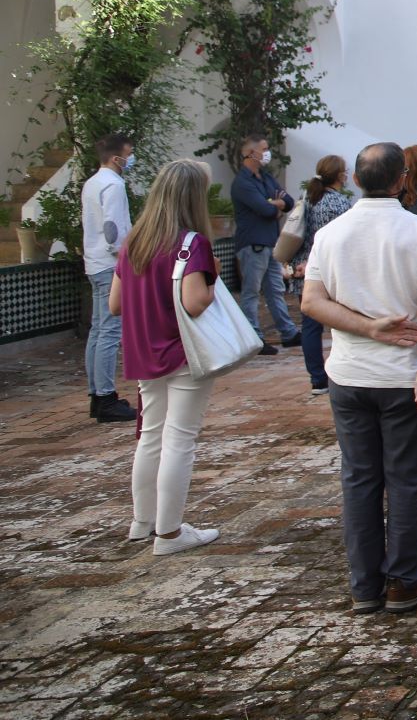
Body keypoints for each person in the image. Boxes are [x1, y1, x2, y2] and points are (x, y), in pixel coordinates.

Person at [301, 141, 417, 615]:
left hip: (349, 375)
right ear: (402, 179)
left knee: (360, 479)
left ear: (356, 180)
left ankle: (364, 587)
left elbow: (311, 302)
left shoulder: (331, 232)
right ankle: (404, 581)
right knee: (406, 479)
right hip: (405, 375)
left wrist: (365, 328)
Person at [110, 158, 223, 554]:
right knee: (180, 439)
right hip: (182, 353)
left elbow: (114, 304)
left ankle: (143, 522)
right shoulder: (193, 243)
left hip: (143, 350)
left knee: (151, 436)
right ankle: (171, 533)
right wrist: (214, 281)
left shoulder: (133, 242)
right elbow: (195, 303)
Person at [81, 131, 137, 424]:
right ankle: (105, 397)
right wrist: (125, 261)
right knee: (110, 331)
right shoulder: (113, 185)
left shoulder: (93, 183)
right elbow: (114, 230)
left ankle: (97, 395)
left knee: (98, 330)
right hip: (109, 265)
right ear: (117, 158)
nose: (130, 160)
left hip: (94, 263)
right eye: (129, 155)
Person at [290, 155, 352, 395]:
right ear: (340, 176)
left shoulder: (307, 198)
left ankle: (317, 378)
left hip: (304, 268)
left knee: (310, 326)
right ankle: (343, 373)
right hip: (331, 270)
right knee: (343, 321)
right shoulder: (340, 204)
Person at [231, 134, 298, 354]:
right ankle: (254, 338)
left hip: (270, 242)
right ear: (250, 153)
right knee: (251, 292)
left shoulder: (266, 178)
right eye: (264, 149)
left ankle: (288, 332)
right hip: (253, 244)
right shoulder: (242, 183)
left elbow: (288, 202)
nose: (267, 152)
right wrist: (273, 205)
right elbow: (266, 209)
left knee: (275, 290)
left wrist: (274, 203)